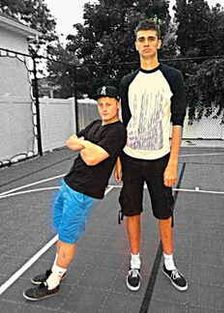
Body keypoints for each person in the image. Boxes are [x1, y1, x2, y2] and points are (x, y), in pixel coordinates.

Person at [23, 85, 127, 301]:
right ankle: (56, 269)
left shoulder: (117, 131)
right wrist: (86, 144)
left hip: (83, 192)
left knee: (68, 237)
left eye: (108, 104)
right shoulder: (96, 125)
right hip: (69, 183)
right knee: (61, 233)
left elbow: (91, 158)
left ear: (117, 104)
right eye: (100, 104)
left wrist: (83, 144)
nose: (104, 108)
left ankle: (53, 283)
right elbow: (69, 141)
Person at [114, 19, 188, 292]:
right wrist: (119, 160)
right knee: (132, 211)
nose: (146, 43)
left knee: (164, 213)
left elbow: (178, 122)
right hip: (131, 159)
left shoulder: (172, 77)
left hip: (161, 159)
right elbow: (123, 124)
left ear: (158, 43)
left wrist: (173, 162)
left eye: (150, 38)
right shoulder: (127, 82)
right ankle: (135, 263)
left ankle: (169, 263)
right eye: (141, 39)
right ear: (136, 45)